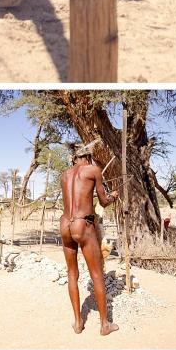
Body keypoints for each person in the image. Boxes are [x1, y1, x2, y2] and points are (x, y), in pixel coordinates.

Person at [59, 144, 120, 337]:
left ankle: (78, 323)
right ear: (88, 157)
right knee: (97, 274)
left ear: (74, 158)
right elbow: (103, 201)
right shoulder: (93, 170)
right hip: (82, 224)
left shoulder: (64, 174)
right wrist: (113, 196)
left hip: (65, 224)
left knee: (72, 274)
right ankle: (104, 325)